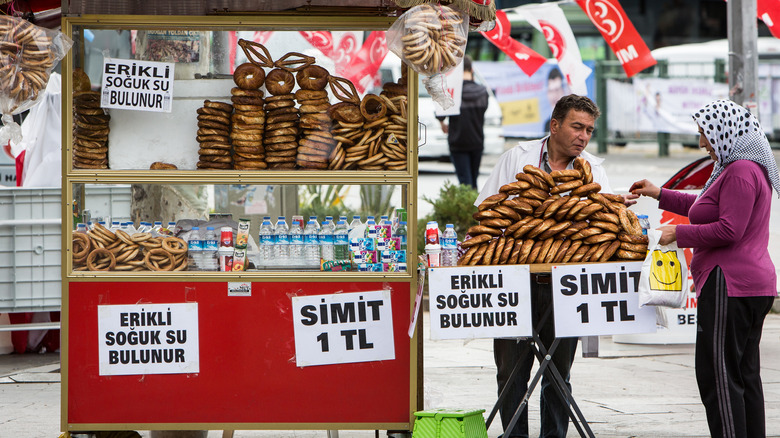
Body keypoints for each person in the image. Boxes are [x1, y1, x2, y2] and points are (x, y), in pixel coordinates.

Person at [630, 99, 779, 438]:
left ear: (726, 133)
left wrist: (676, 233)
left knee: (719, 376)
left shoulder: (740, 171)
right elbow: (703, 206)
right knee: (743, 374)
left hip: (731, 284)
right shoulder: (736, 168)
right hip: (747, 284)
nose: (702, 144)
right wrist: (659, 194)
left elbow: (729, 229)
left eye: (706, 135)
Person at [475, 94, 615, 438]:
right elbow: (484, 210)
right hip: (514, 281)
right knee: (510, 371)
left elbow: (609, 222)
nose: (583, 136)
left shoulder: (593, 170)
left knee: (558, 371)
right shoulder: (517, 159)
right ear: (555, 125)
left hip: (567, 286)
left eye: (589, 130)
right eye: (576, 127)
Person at [438, 55, 489, 189]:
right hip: (477, 141)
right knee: (473, 179)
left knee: (465, 182)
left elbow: (441, 112)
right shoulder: (483, 92)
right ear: (471, 69)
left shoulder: (453, 93)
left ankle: (468, 208)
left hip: (458, 142)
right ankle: (475, 207)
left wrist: (442, 123)